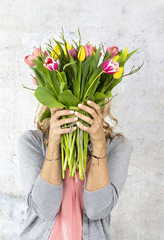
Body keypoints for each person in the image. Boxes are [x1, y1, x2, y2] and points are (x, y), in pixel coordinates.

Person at [17, 99, 133, 240]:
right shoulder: (32, 141)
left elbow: (97, 210)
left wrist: (99, 145)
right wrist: (54, 144)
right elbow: (44, 210)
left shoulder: (117, 146)